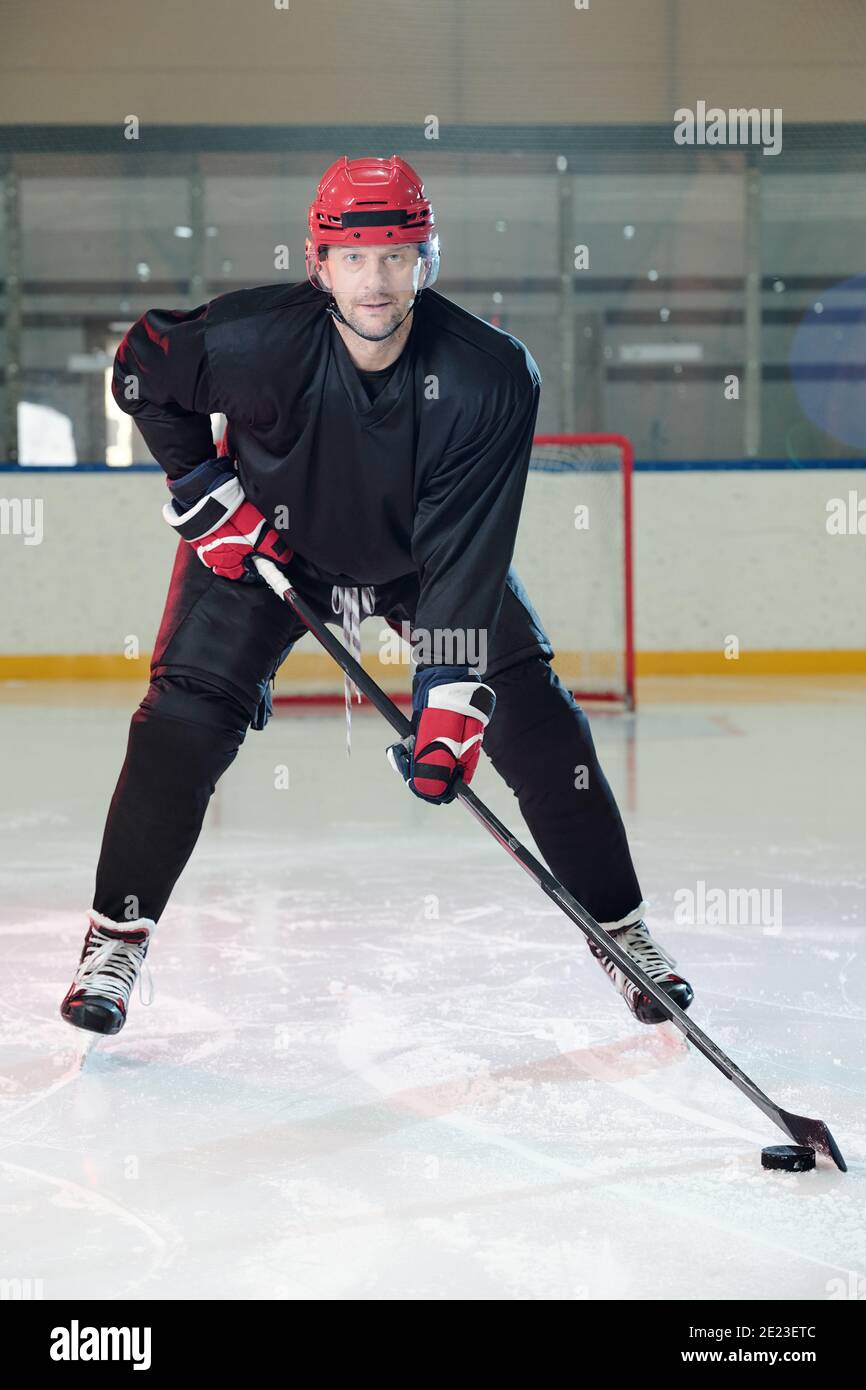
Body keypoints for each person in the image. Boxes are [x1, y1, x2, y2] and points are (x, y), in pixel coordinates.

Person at [60, 154, 693, 1037]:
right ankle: (117, 938)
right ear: (317, 263)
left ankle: (624, 935)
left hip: (417, 564)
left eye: (395, 254)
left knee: (535, 717)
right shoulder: (255, 339)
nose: (375, 278)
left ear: (427, 259)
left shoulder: (491, 374)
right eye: (353, 256)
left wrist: (447, 693)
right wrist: (205, 485)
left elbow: (465, 549)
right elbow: (139, 371)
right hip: (264, 545)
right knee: (182, 718)